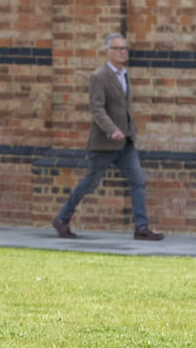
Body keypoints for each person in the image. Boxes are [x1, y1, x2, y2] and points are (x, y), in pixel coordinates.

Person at [52, 32, 165, 242]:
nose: (123, 52)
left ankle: (141, 227)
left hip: (126, 142)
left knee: (137, 181)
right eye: (118, 49)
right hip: (105, 143)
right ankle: (62, 219)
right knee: (90, 183)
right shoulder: (99, 76)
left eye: (125, 48)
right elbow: (97, 109)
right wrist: (111, 129)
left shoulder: (125, 74)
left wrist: (130, 129)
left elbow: (124, 106)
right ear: (108, 52)